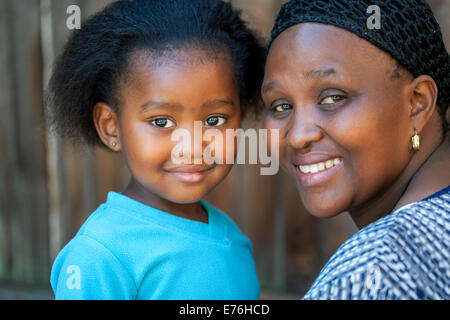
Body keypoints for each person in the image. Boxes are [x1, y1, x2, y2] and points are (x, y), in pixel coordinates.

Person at [47, 0, 266, 300]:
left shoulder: (231, 237)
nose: (191, 146)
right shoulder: (101, 257)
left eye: (214, 120)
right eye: (161, 121)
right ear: (111, 126)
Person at [262, 0, 450, 299]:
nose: (298, 136)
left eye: (332, 98)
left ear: (417, 102)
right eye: (281, 106)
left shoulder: (371, 274)